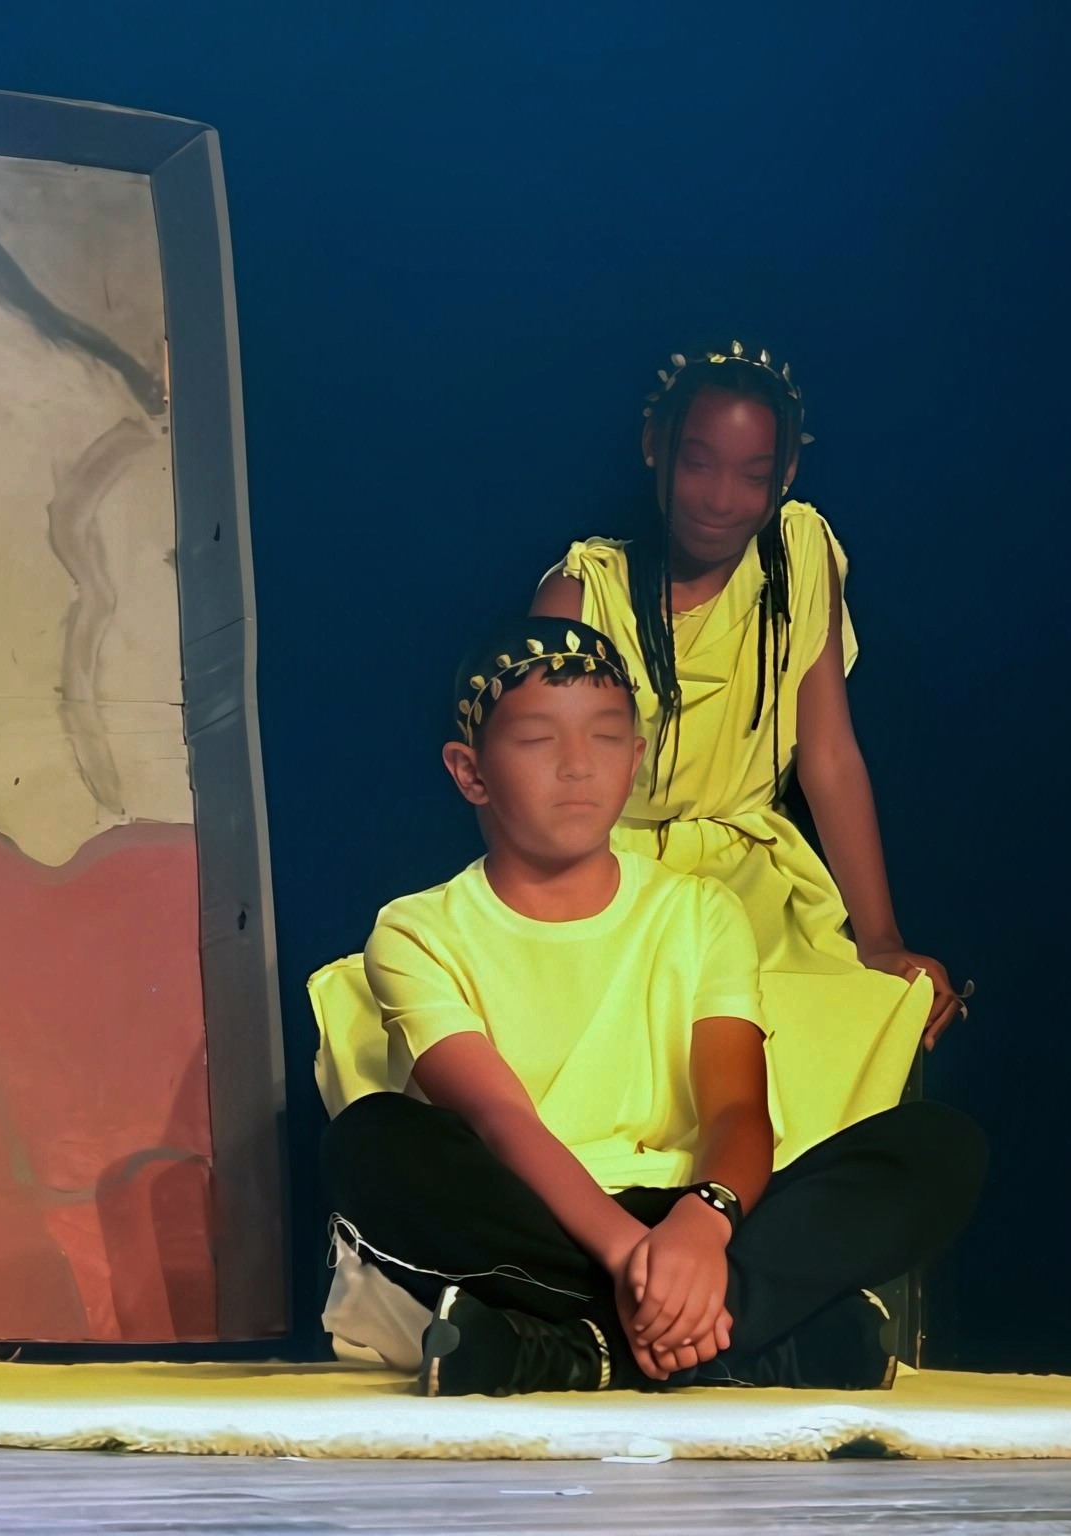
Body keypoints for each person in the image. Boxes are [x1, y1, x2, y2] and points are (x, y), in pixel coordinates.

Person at [320, 617, 984, 1396]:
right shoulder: (416, 930)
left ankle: (576, 1349)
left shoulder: (701, 912)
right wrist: (634, 1258)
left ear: (635, 759)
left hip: (689, 1212)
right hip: (535, 1215)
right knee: (370, 1141)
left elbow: (737, 1108)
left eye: (605, 738)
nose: (577, 766)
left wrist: (703, 1221)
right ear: (471, 773)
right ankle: (743, 1337)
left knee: (940, 1147)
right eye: (537, 741)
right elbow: (503, 1121)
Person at [529, 342, 970, 1164]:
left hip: (753, 880)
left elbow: (827, 754)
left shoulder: (798, 554)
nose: (720, 498)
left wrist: (880, 936)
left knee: (833, 1033)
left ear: (786, 474)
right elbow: (541, 792)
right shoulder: (584, 592)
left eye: (752, 474)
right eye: (699, 464)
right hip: (613, 878)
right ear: (654, 445)